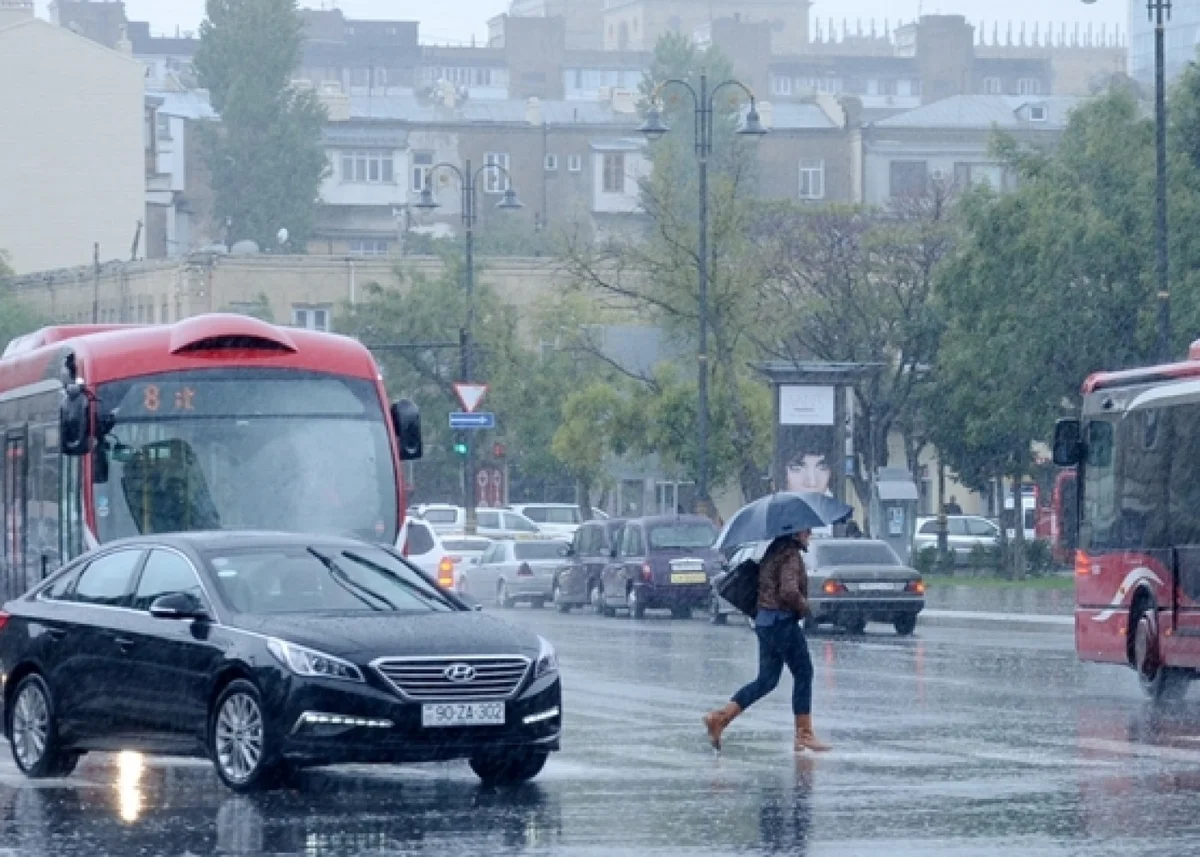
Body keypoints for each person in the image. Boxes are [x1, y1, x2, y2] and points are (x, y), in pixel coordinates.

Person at [703, 529, 831, 754]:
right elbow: (789, 591)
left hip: (765, 621)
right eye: (806, 530)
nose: (809, 534)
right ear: (795, 533)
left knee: (767, 680)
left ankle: (720, 718)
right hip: (782, 621)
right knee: (804, 673)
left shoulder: (773, 549)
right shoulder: (790, 554)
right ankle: (804, 734)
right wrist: (805, 607)